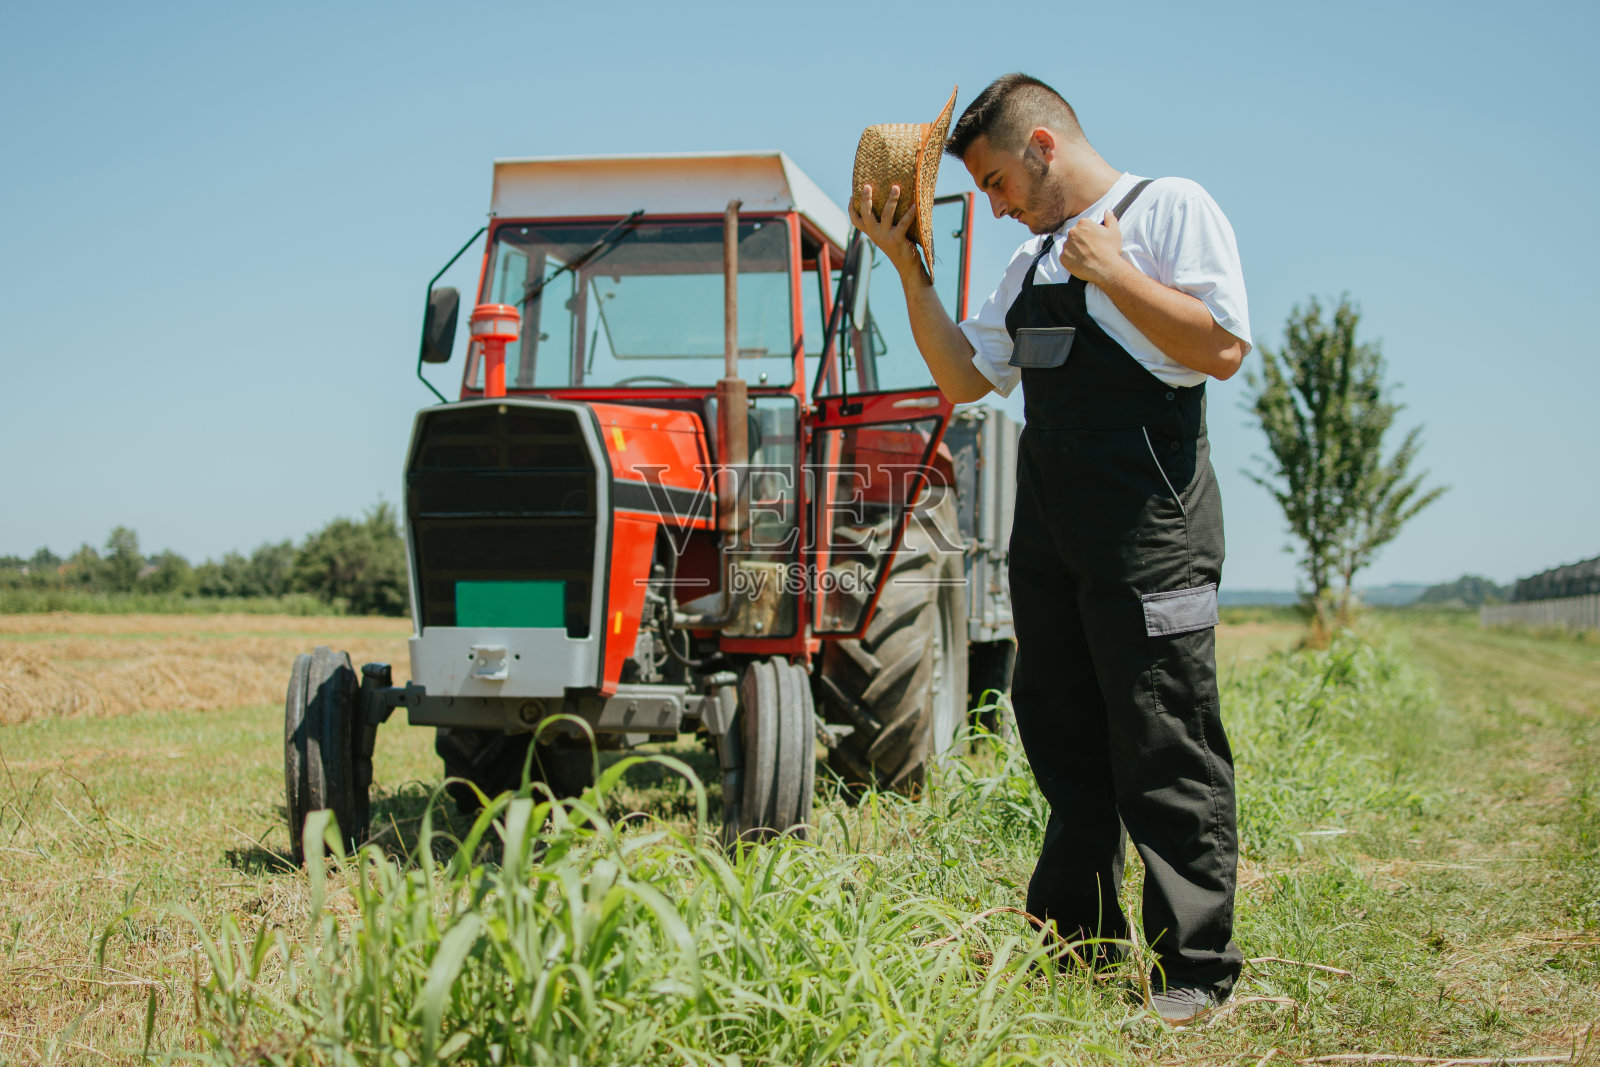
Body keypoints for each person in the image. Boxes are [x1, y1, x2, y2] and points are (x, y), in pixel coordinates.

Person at [848, 73, 1251, 1024]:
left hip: (1153, 530)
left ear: (1042, 147)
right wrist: (910, 270)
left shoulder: (1168, 209)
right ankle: (1077, 944)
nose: (991, 205)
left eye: (994, 182)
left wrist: (1113, 272)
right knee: (1063, 738)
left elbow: (1224, 348)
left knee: (1163, 737)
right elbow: (964, 381)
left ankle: (1194, 968)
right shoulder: (1025, 263)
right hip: (1053, 536)